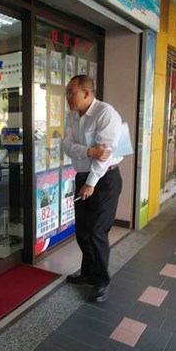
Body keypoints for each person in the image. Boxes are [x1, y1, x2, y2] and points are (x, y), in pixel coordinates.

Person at [61, 74, 123, 303]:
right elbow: (66, 145)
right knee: (83, 231)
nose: (67, 97)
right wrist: (88, 151)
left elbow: (105, 154)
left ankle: (100, 282)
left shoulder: (105, 113)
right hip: (83, 177)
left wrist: (91, 182)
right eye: (67, 93)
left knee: (97, 231)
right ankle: (87, 273)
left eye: (71, 92)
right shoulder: (71, 115)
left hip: (105, 180)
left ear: (87, 93)